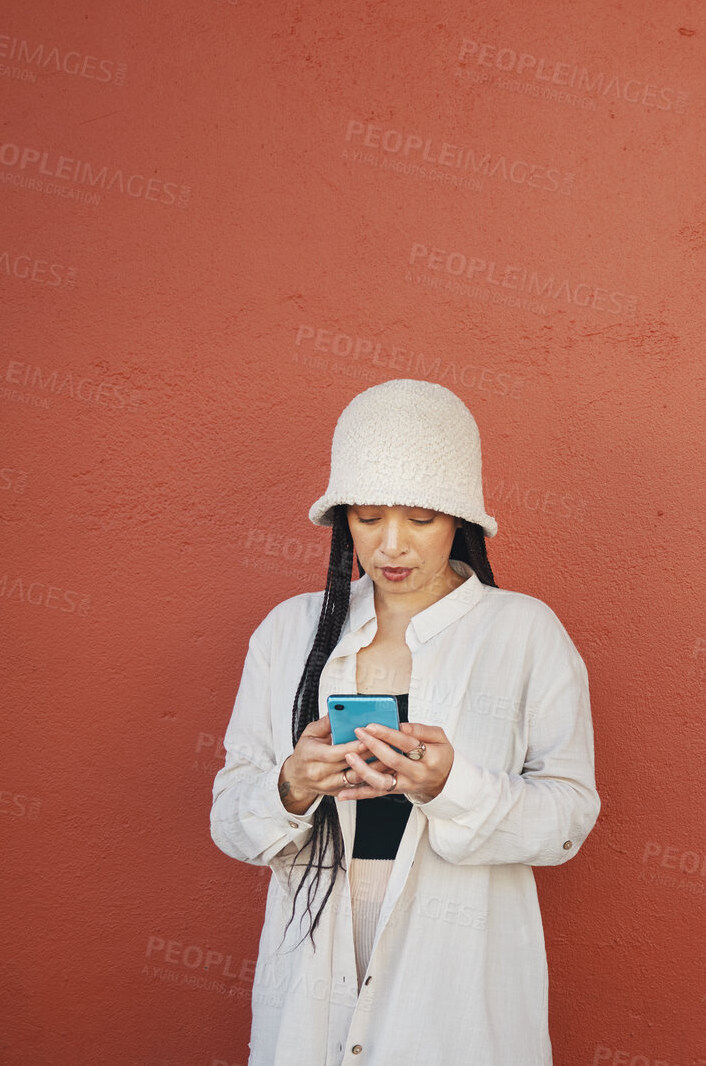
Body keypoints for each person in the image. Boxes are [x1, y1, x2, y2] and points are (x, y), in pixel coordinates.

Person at [209, 378, 600, 1065]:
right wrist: (292, 784)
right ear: (343, 520)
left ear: (459, 519)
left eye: (420, 518)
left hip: (457, 969)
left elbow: (568, 818)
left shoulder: (523, 633)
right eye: (367, 517)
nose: (391, 545)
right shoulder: (289, 632)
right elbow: (229, 816)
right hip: (314, 957)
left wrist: (451, 785)